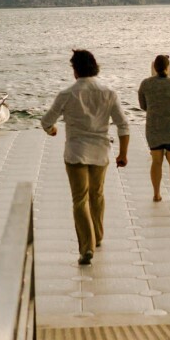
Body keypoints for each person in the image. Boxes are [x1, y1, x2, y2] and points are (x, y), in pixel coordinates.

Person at [41, 49, 130, 266]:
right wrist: (123, 153)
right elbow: (123, 125)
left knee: (79, 199)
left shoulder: (67, 94)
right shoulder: (109, 92)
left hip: (76, 153)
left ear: (75, 69)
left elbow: (46, 121)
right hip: (100, 151)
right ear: (94, 67)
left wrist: (52, 130)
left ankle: (86, 248)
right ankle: (97, 236)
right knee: (97, 195)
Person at [137, 54, 170, 203]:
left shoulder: (145, 84)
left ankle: (156, 194)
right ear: (167, 67)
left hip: (154, 128)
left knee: (156, 161)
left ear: (154, 68)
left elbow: (143, 106)